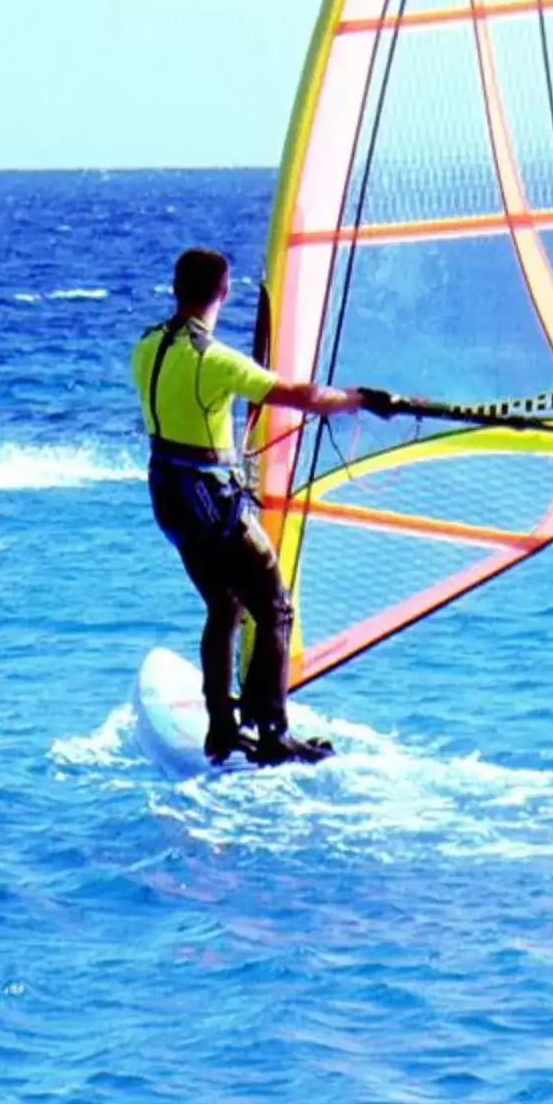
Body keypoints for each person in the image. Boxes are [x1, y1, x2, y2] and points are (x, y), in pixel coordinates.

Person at [131, 246, 365, 767]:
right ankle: (274, 733)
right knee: (274, 604)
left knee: (224, 605)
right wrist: (357, 399)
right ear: (224, 292)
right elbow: (298, 395)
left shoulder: (146, 347)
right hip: (212, 502)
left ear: (176, 288)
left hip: (167, 496)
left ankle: (222, 729)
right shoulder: (213, 360)